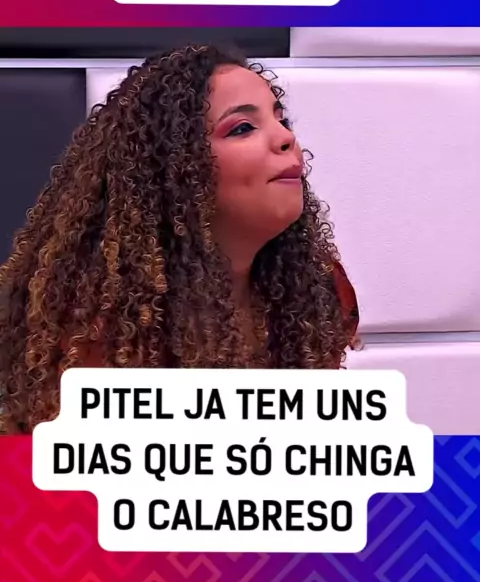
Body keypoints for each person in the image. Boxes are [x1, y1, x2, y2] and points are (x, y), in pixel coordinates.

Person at [0, 45, 359, 433]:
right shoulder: (102, 324)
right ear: (177, 171)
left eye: (281, 118)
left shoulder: (321, 291)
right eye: (242, 128)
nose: (286, 137)